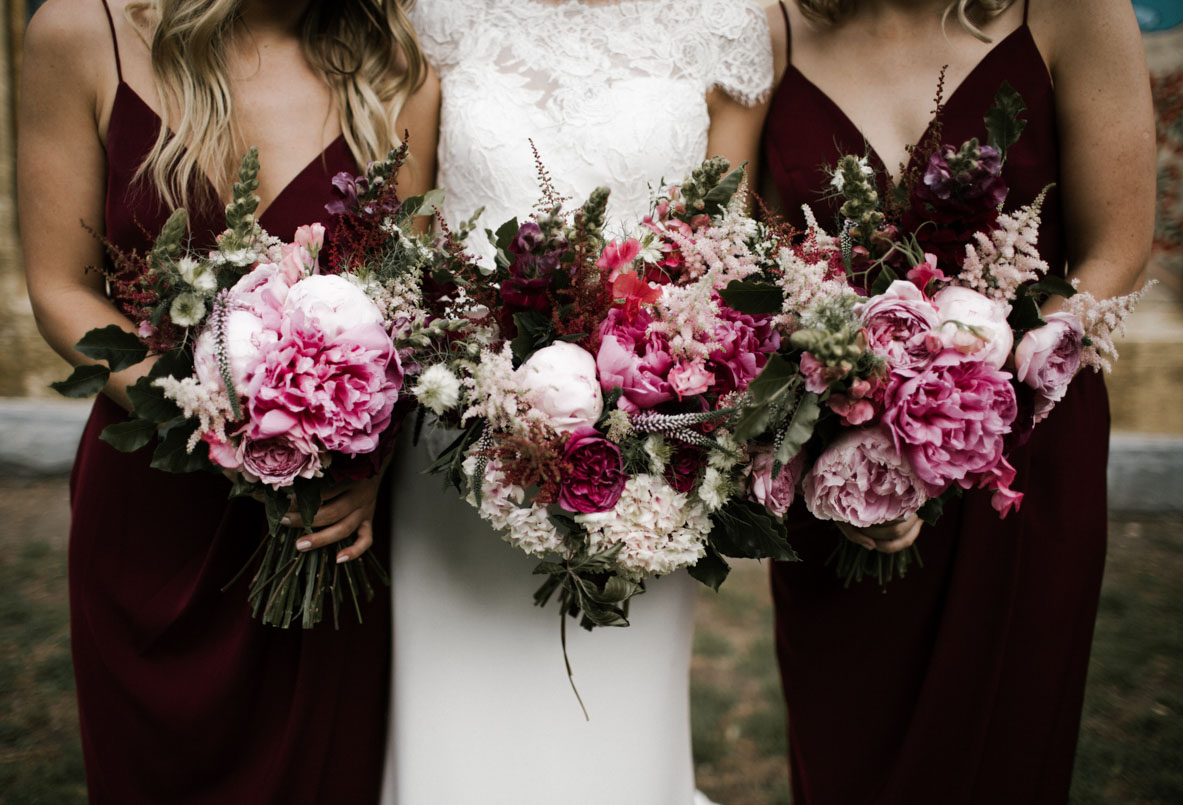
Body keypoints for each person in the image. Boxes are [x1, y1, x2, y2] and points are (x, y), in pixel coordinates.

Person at [18, 1, 437, 801]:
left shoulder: (397, 68)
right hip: (155, 513)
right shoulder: (82, 31)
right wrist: (218, 410)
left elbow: (412, 307)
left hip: (326, 523)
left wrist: (370, 459)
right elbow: (58, 289)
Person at [759, 0, 1154, 802]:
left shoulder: (1072, 11)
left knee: (1002, 760)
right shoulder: (775, 23)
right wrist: (851, 413)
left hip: (1022, 459)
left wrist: (968, 390)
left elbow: (1117, 247)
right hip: (843, 477)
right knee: (846, 761)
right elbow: (758, 252)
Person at [381, 1, 772, 802]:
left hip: (640, 462)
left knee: (612, 740)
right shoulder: (433, 14)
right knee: (457, 738)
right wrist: (469, 371)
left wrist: (653, 401)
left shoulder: (724, 21)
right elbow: (404, 231)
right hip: (459, 445)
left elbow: (725, 265)